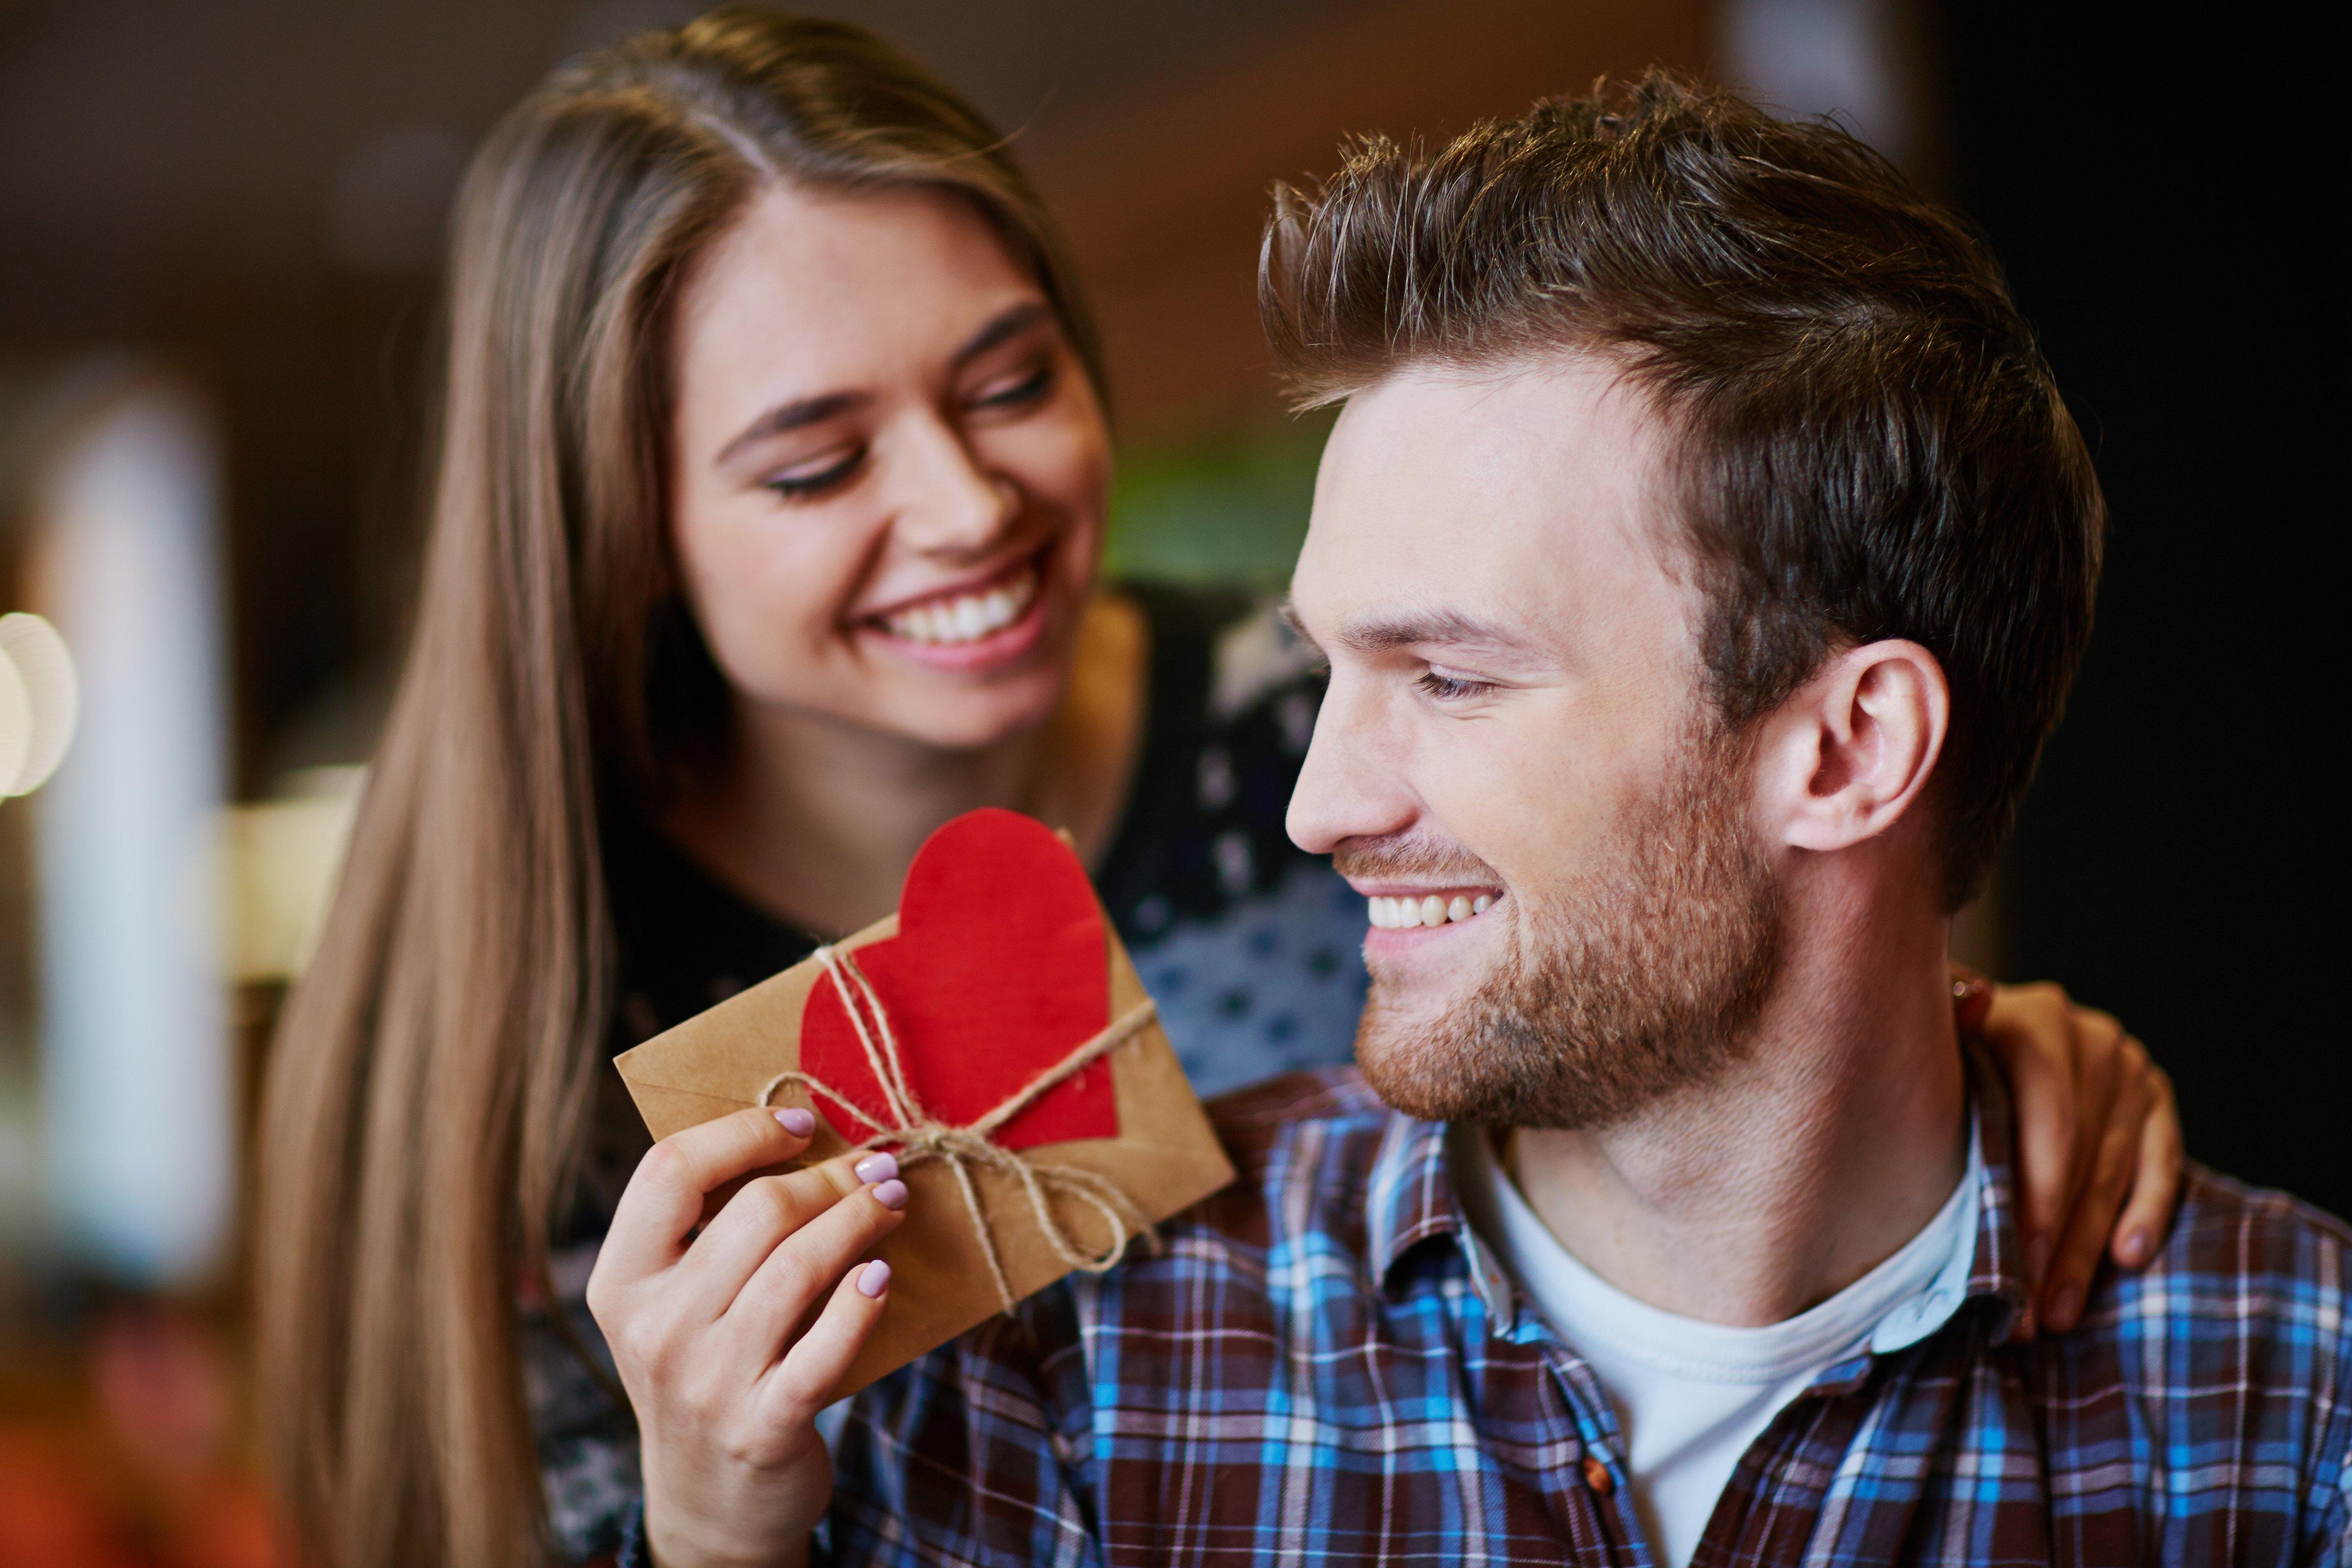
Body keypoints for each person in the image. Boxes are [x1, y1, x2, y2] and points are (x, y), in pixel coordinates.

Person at [254, 15, 2182, 1568]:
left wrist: (1940, 1077)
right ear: (621, 535)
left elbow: (1720, 961)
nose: (964, 502)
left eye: (1007, 382)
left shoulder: (1311, 720)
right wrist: (712, 1520)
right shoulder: (531, 1010)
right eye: (813, 463)